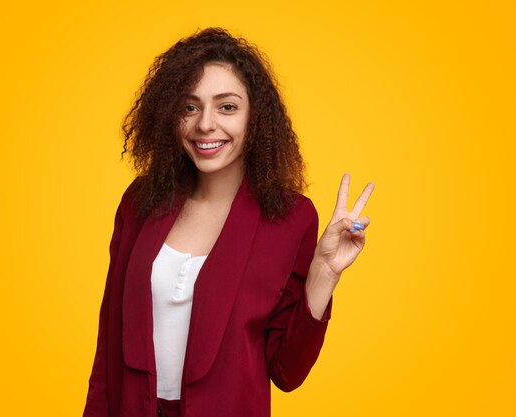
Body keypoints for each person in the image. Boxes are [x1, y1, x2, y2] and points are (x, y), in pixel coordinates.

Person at [82, 27, 374, 417]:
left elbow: (286, 372)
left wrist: (324, 272)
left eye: (227, 107)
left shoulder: (291, 219)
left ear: (256, 118)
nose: (205, 124)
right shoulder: (140, 202)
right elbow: (108, 350)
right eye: (189, 107)